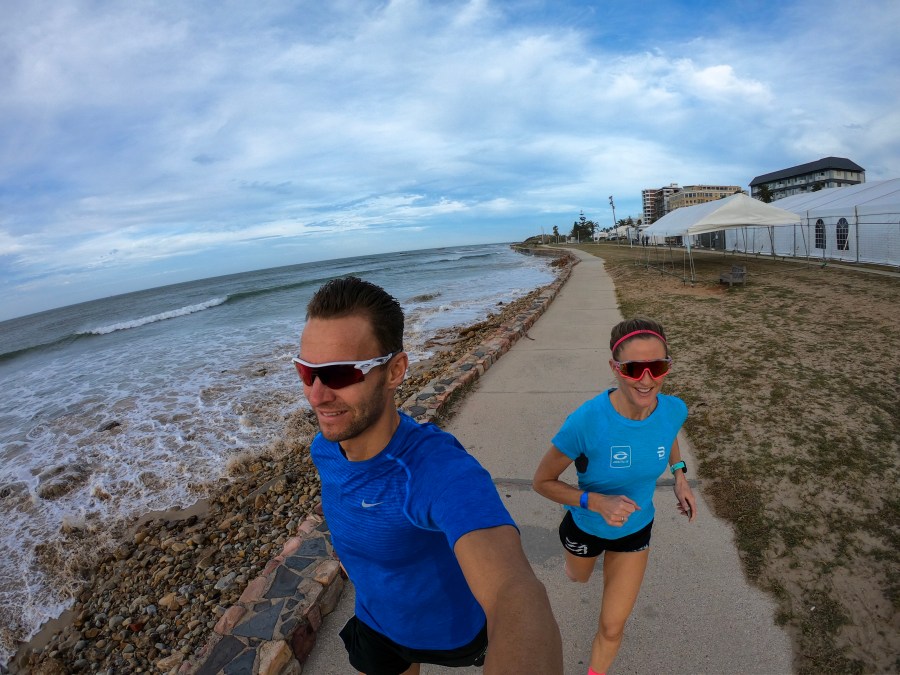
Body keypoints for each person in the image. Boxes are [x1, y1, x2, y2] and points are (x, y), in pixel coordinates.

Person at [295, 276, 563, 675]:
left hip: (449, 634)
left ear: (394, 371)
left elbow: (515, 592)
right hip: (376, 621)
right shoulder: (325, 446)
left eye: (340, 374)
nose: (316, 395)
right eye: (307, 371)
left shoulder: (437, 470)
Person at [532, 317, 697, 675]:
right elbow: (542, 482)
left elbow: (666, 432)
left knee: (611, 627)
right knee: (578, 577)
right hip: (586, 526)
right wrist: (596, 502)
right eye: (634, 369)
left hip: (635, 530)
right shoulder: (585, 422)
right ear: (614, 367)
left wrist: (680, 475)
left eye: (658, 367)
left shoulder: (674, 409)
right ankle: (576, 559)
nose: (647, 380)